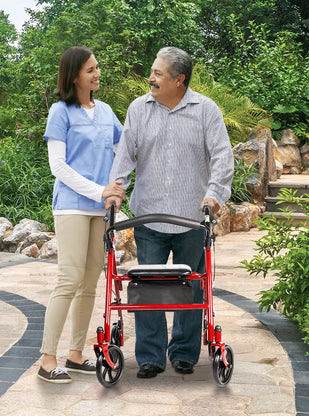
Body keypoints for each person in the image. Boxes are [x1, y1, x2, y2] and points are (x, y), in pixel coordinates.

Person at [106, 46, 234, 378]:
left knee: (191, 286)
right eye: (152, 72)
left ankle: (184, 353)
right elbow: (124, 156)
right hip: (149, 217)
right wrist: (116, 188)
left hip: (191, 217)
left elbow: (222, 157)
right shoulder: (139, 109)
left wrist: (214, 195)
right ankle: (150, 356)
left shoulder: (206, 110)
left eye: (158, 73)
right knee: (148, 285)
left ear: (179, 80)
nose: (151, 78)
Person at [38, 46, 126, 383]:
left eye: (98, 68)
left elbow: (124, 154)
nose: (97, 73)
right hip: (73, 206)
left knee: (90, 281)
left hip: (100, 209)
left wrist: (117, 189)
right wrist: (99, 190)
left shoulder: (104, 111)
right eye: (91, 69)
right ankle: (48, 359)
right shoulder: (60, 112)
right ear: (75, 75)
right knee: (69, 279)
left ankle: (75, 354)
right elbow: (57, 166)